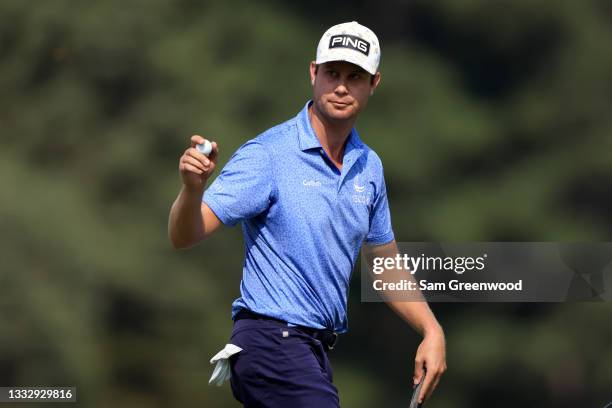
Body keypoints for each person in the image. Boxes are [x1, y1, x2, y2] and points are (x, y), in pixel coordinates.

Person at [168, 21, 446, 408]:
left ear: (374, 83)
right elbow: (185, 234)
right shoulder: (269, 154)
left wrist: (431, 330)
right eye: (332, 73)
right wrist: (191, 189)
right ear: (314, 73)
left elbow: (383, 266)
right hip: (269, 343)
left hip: (312, 352)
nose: (342, 86)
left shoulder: (369, 168)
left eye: (355, 76)